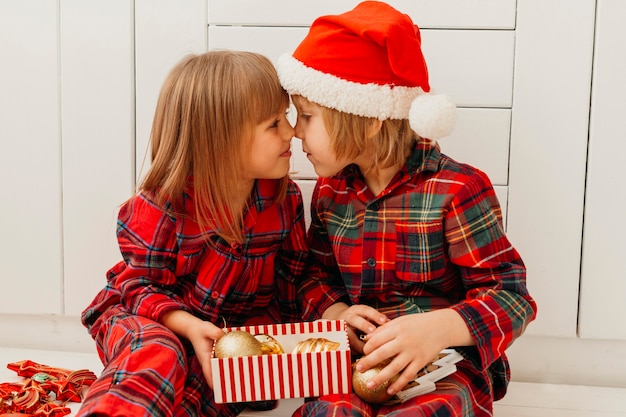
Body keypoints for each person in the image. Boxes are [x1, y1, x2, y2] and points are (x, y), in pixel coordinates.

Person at [276, 2, 538, 416]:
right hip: (357, 361)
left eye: (307, 116)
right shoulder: (331, 192)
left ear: (368, 117)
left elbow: (512, 297)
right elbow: (312, 275)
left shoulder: (457, 189)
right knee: (330, 410)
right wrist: (338, 312)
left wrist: (438, 330)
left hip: (445, 362)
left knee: (436, 408)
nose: (294, 131)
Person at [76, 50, 308, 417]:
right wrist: (188, 326)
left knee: (212, 389)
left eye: (287, 118)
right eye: (274, 124)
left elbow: (292, 285)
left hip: (216, 334)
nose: (291, 131)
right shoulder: (161, 207)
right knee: (159, 352)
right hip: (146, 318)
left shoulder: (284, 201)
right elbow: (136, 288)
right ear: (222, 141)